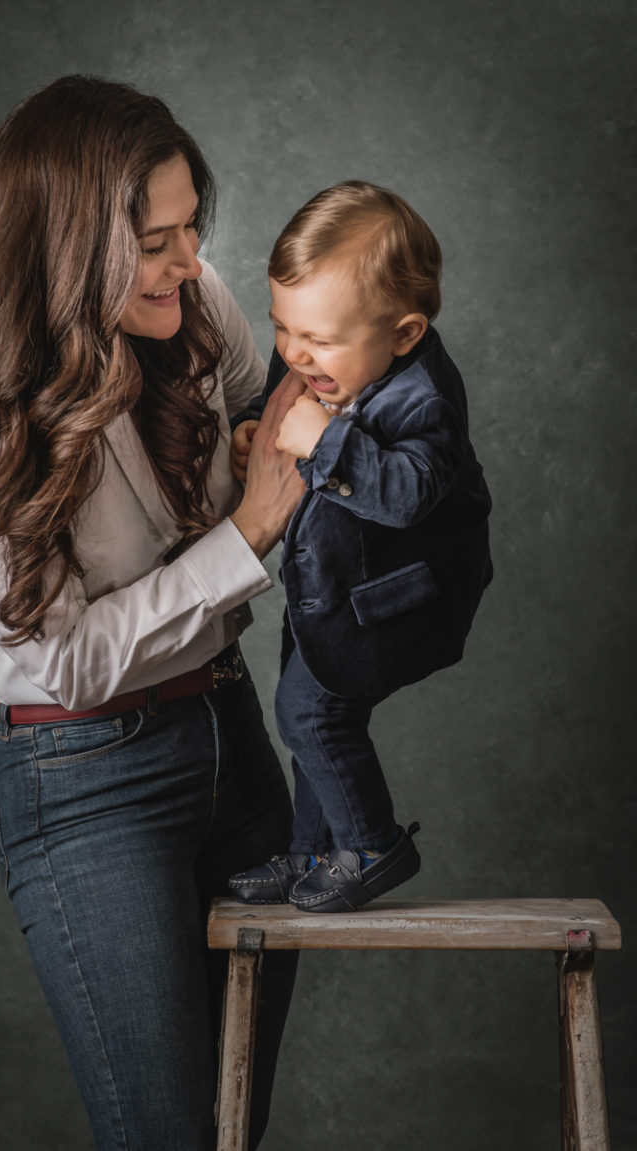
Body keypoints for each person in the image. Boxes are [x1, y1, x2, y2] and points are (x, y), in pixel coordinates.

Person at [0, 75, 308, 1151]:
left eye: (192, 225)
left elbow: (262, 408)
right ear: (64, 244)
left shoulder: (188, 303)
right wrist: (244, 532)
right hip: (87, 782)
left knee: (230, 1127)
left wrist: (264, 434)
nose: (190, 262)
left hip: (230, 735)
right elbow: (62, 663)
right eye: (155, 240)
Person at [228, 182, 493, 913]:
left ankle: (372, 844)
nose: (294, 352)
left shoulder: (425, 400)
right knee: (311, 705)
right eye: (283, 327)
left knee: (311, 712)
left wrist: (324, 442)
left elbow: (408, 491)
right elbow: (291, 392)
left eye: (317, 339)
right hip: (335, 586)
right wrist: (257, 423)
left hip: (400, 595)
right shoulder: (330, 357)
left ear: (403, 334)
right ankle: (313, 851)